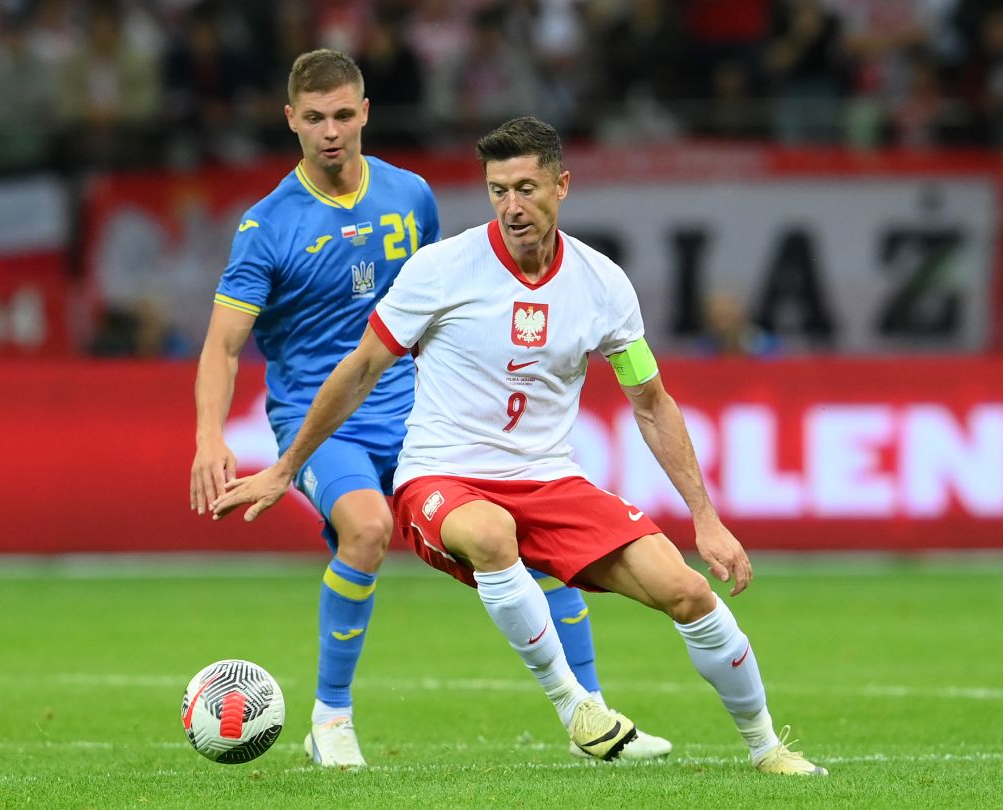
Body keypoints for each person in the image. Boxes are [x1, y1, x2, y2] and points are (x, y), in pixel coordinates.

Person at [211, 115, 828, 775]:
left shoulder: (602, 284)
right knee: (494, 531)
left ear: (562, 186)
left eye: (526, 188)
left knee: (687, 592)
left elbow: (651, 401)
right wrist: (287, 466)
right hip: (440, 479)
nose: (511, 206)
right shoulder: (440, 270)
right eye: (497, 189)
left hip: (550, 481)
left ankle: (768, 748)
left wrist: (705, 518)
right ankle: (577, 712)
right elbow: (361, 367)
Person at [191, 53, 670, 768]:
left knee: (533, 538)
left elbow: (442, 300)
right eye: (315, 118)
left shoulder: (409, 196)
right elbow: (223, 347)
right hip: (320, 419)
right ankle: (331, 719)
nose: (331, 132)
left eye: (344, 115)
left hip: (421, 411)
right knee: (368, 529)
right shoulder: (266, 228)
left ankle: (592, 716)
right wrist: (207, 437)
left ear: (366, 113)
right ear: (291, 120)